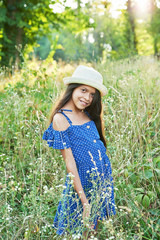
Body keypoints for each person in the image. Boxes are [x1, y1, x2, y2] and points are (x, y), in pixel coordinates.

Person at [42, 65, 116, 237]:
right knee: (77, 226)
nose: (87, 97)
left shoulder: (88, 114)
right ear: (72, 89)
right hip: (80, 183)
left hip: (100, 179)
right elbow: (70, 162)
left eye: (92, 94)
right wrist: (84, 201)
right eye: (83, 90)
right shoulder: (61, 119)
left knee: (92, 229)